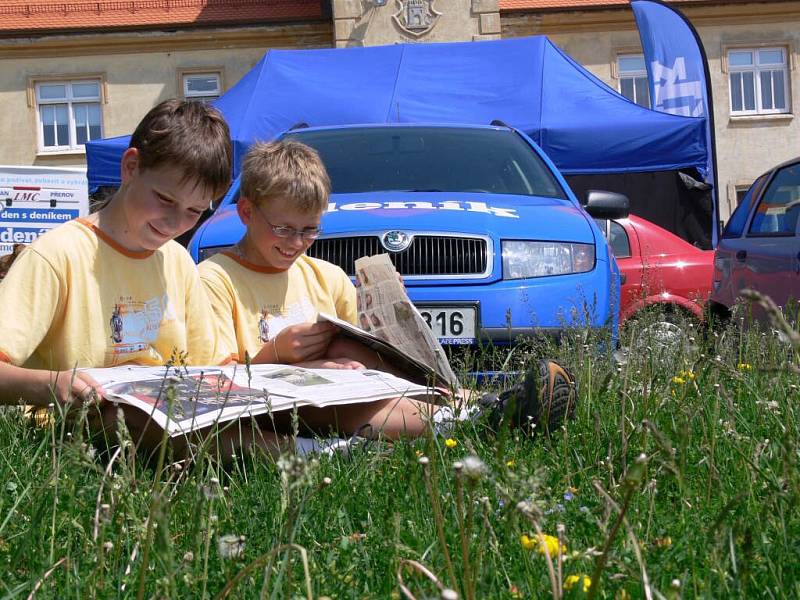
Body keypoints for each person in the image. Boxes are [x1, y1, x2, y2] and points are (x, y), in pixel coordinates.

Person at [200, 140, 578, 442]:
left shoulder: (326, 275)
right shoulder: (216, 278)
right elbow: (210, 379)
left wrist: (395, 309)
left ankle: (484, 406)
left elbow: (365, 346)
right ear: (247, 212)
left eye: (310, 230)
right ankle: (476, 422)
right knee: (351, 406)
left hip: (343, 387)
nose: (297, 242)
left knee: (348, 352)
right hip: (278, 404)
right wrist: (278, 353)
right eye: (284, 229)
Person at [0, 99, 290, 461]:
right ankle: (306, 454)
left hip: (174, 412)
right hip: (76, 420)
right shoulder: (56, 254)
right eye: (165, 199)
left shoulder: (177, 261)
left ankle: (321, 445)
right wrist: (52, 385)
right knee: (134, 418)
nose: (174, 223)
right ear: (131, 166)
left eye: (194, 212)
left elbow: (212, 365)